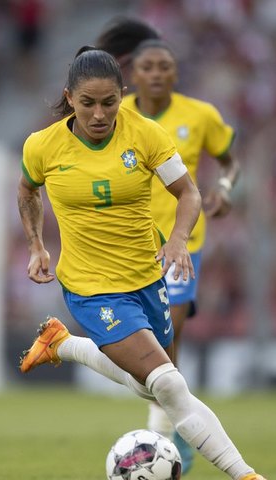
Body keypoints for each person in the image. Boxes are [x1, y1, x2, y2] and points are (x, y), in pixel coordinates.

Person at [17, 45, 265, 480]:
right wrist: (37, 244)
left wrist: (179, 241)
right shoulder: (43, 146)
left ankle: (63, 344)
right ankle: (245, 474)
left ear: (122, 95)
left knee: (157, 386)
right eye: (88, 103)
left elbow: (187, 193)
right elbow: (27, 191)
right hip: (90, 287)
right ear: (69, 98)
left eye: (109, 102)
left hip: (148, 278)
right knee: (169, 383)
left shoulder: (145, 134)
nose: (99, 114)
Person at [96, 19, 242, 474]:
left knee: (168, 335)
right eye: (148, 67)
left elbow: (229, 159)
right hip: (128, 244)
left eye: (165, 66)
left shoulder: (199, 115)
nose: (157, 74)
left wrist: (225, 187)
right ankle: (174, 419)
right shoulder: (115, 117)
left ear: (175, 74)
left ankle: (165, 432)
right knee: (145, 345)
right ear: (133, 75)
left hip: (182, 244)